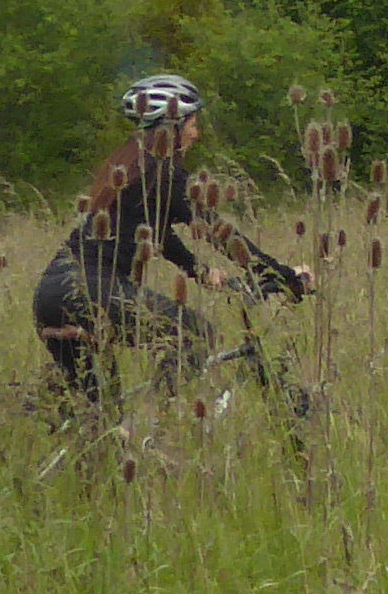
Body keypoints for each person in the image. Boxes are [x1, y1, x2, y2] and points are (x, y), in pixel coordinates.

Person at [32, 74, 311, 405]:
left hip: (52, 292)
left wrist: (200, 271)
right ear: (174, 126)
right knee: (194, 334)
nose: (197, 133)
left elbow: (159, 234)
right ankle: (155, 421)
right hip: (92, 289)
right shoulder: (164, 175)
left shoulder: (133, 167)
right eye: (192, 123)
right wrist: (287, 277)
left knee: (99, 414)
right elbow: (222, 234)